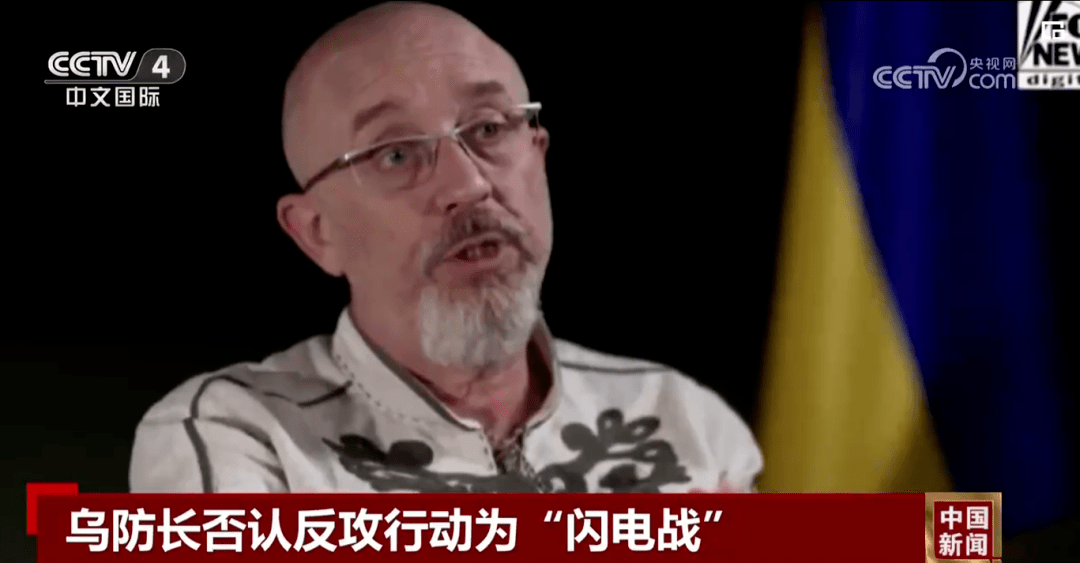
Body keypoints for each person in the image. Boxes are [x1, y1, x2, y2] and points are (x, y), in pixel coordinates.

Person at [129, 1, 762, 494]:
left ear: (538, 157)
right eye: (395, 154)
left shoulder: (684, 420)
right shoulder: (241, 433)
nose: (468, 184)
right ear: (317, 232)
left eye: (488, 128)